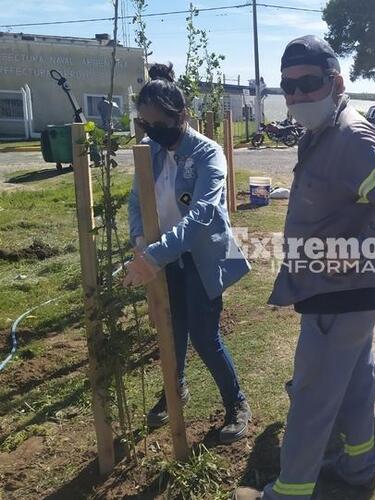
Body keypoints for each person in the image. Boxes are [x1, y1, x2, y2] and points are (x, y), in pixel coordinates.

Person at [235, 35, 375, 500]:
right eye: (288, 87)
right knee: (356, 384)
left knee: (312, 397)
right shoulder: (325, 131)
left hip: (339, 293)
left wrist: (359, 249)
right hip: (348, 295)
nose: (297, 95)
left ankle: (290, 490)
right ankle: (358, 463)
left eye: (308, 83)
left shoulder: (350, 135)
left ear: (336, 82)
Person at [125, 62, 252, 444]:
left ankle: (237, 403)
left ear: (180, 115)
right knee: (170, 327)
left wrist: (153, 256)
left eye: (159, 123)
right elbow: (135, 201)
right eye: (146, 124)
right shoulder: (149, 151)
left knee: (203, 334)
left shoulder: (208, 154)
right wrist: (139, 242)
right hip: (164, 258)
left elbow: (203, 216)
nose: (152, 131)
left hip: (201, 258)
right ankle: (174, 389)